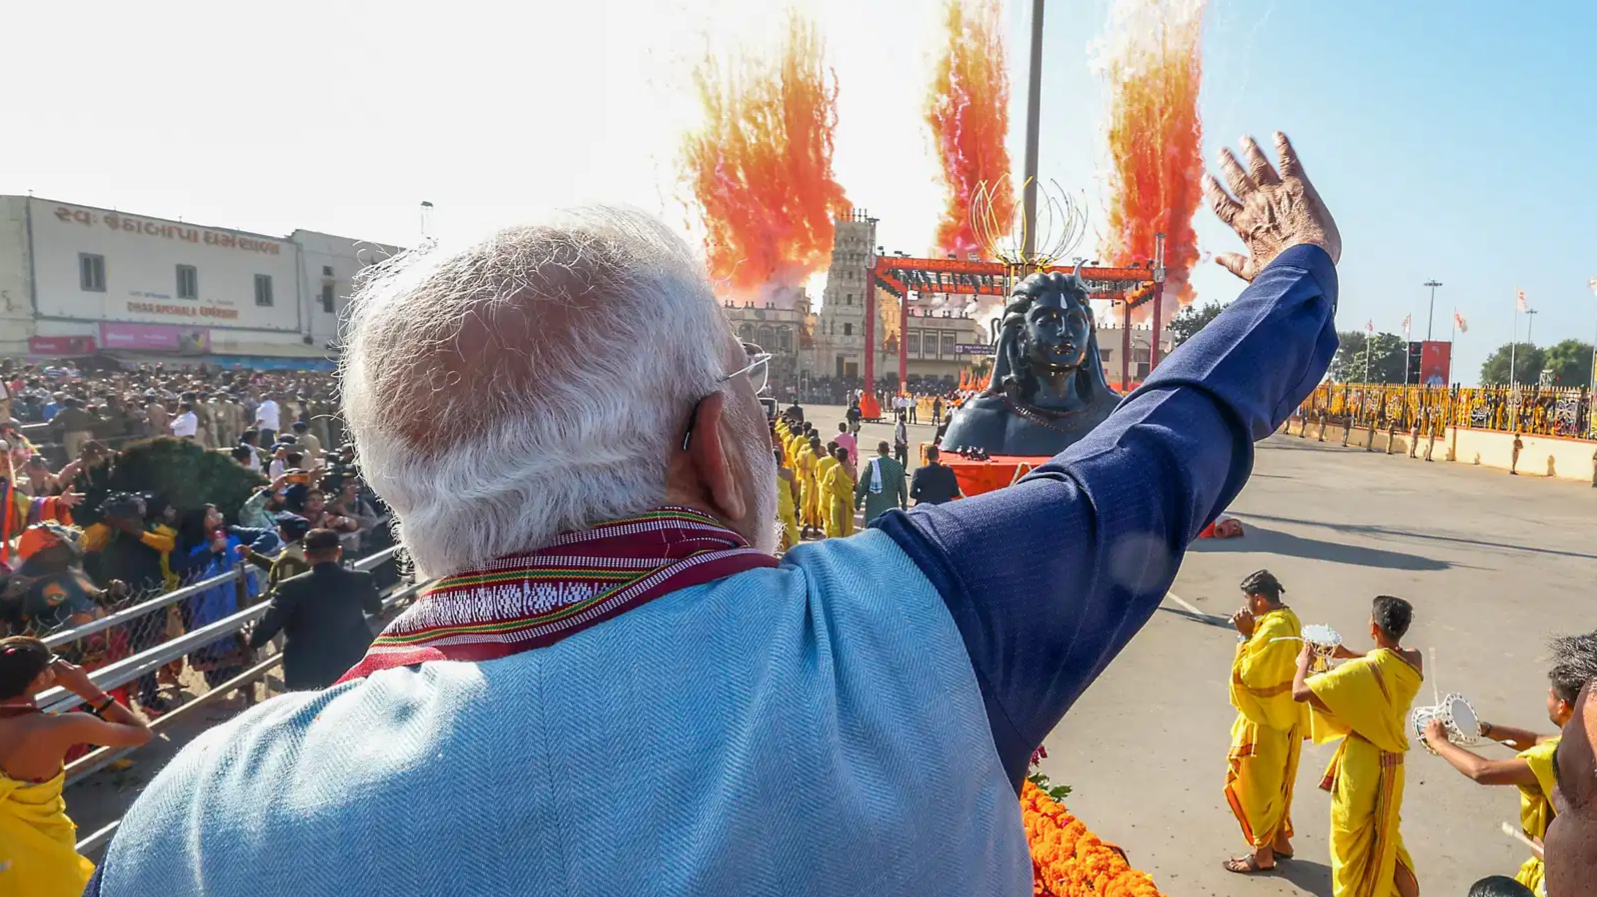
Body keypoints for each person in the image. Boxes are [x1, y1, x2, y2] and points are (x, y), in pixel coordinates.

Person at [94, 134, 1344, 896]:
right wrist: (1297, 271)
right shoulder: (894, 640)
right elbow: (1159, 446)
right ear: (712, 446)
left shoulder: (193, 828)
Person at [1425, 631, 1596, 894]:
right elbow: (1536, 738)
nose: (1547, 699)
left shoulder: (1549, 757)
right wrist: (1486, 729)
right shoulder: (1581, 741)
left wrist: (1439, 742)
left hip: (1554, 869)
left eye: (1550, 695)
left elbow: (1482, 772)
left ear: (1562, 705)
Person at [0, 637, 152, 896]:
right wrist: (86, 688)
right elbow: (140, 734)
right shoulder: (63, 727)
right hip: (45, 856)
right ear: (37, 681)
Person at [1293, 596, 1422, 897]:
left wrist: (1304, 664)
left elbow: (1300, 692)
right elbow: (1385, 661)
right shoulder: (1413, 660)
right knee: (1386, 834)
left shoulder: (1360, 673)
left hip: (1362, 765)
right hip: (1393, 765)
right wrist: (1350, 654)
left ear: (1373, 627)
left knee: (1349, 840)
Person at [1222, 570, 1307, 874]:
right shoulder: (1289, 618)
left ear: (1259, 599)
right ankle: (1280, 841)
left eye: (1248, 600)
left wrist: (1245, 636)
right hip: (1287, 720)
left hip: (1266, 722)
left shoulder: (1272, 631)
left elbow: (1251, 676)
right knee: (1279, 785)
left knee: (1259, 789)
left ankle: (1262, 855)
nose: (1246, 606)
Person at [246, 529, 380, 691]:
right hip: (355, 663)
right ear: (339, 551)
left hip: (307, 672)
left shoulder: (289, 587)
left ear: (306, 555)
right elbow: (375, 607)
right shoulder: (361, 579)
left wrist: (253, 641)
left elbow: (268, 626)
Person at [855, 441, 906, 527]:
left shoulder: (872, 464)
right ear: (888, 450)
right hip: (891, 506)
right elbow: (903, 487)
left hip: (874, 506)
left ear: (878, 451)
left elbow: (863, 484)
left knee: (872, 530)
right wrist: (904, 504)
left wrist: (857, 501)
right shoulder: (897, 465)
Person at [773, 448, 800, 552]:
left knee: (777, 529)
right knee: (791, 528)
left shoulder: (768, 474)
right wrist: (794, 501)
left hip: (775, 506)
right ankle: (792, 548)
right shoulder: (788, 472)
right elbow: (794, 489)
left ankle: (777, 550)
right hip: (787, 503)